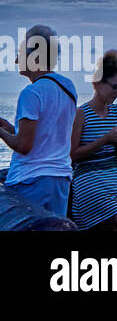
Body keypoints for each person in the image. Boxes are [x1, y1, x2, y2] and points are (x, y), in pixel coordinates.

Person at [0, 25, 78, 218]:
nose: (17, 60)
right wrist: (8, 127)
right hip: (60, 180)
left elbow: (24, 146)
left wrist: (0, 133)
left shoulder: (31, 93)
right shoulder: (68, 87)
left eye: (20, 54)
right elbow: (46, 134)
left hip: (31, 180)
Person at [68, 50, 117, 230]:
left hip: (112, 178)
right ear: (98, 83)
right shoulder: (81, 114)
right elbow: (72, 155)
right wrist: (105, 139)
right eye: (114, 87)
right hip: (88, 179)